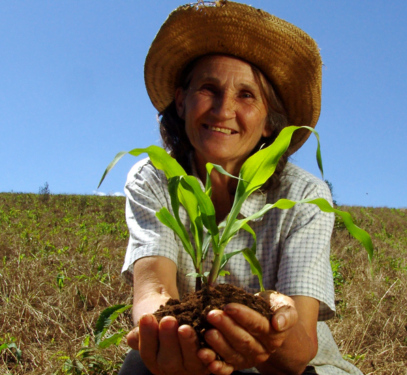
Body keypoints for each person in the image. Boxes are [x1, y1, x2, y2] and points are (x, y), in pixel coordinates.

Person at [119, 2, 363, 374]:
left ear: (269, 123)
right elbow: (154, 290)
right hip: (192, 346)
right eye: (208, 88)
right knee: (139, 365)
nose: (223, 109)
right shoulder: (154, 179)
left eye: (246, 95)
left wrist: (271, 322)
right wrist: (163, 328)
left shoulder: (304, 195)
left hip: (294, 367)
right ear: (181, 102)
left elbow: (299, 349)